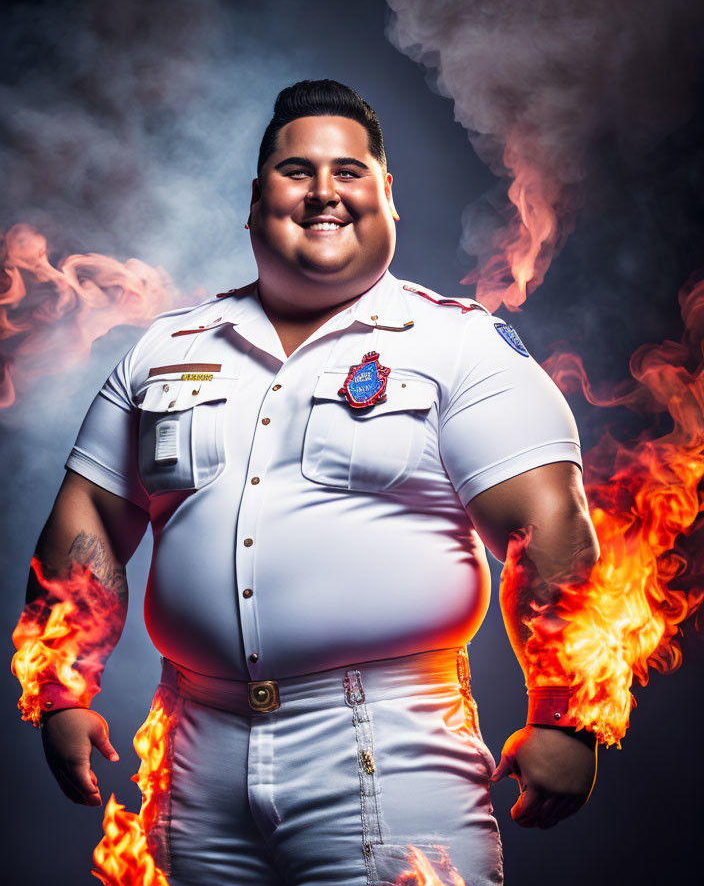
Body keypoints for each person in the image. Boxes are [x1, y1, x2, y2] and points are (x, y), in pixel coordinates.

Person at [24, 79, 599, 886]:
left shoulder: (459, 346)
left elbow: (550, 522)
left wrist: (568, 717)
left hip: (391, 755)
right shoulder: (164, 350)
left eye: (349, 171)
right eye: (298, 171)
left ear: (387, 196)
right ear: (258, 198)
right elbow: (88, 515)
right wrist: (61, 688)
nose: (324, 191)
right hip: (193, 756)